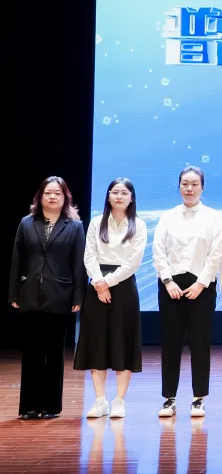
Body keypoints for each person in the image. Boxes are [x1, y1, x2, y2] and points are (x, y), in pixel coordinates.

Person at [9, 176, 86, 420]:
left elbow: (78, 263)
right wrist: (14, 293)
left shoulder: (74, 226)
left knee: (54, 353)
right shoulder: (26, 223)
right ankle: (28, 406)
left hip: (60, 295)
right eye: (48, 193)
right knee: (31, 351)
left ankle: (50, 406)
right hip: (30, 293)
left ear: (65, 198)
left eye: (57, 193)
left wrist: (78, 296)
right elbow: (17, 260)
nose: (52, 197)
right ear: (40, 197)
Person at [152, 166, 222, 418]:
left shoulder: (213, 217)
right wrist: (168, 281)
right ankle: (169, 398)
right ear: (179, 186)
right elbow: (159, 251)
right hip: (170, 286)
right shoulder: (168, 217)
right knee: (170, 343)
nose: (189, 188)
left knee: (199, 343)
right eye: (185, 184)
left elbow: (216, 253)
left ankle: (198, 398)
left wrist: (201, 283)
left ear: (202, 187)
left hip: (201, 287)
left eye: (194, 184)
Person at [74, 177, 147, 419]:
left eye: (124, 193)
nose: (119, 196)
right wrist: (98, 282)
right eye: (115, 192)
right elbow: (89, 255)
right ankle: (99, 401)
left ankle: (119, 401)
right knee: (98, 342)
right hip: (97, 287)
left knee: (122, 342)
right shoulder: (97, 222)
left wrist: (108, 282)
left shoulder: (138, 225)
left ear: (131, 198)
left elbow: (133, 262)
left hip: (123, 287)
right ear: (108, 196)